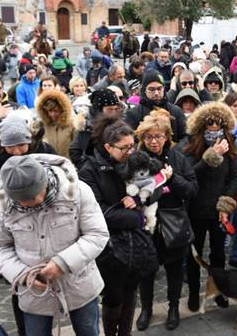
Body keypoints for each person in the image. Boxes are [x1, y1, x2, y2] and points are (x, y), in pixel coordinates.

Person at [0, 154, 109, 336]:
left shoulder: (79, 191)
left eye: (33, 197)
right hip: (33, 292)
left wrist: (63, 263)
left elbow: (97, 234)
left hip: (79, 284)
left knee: (88, 331)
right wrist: (21, 274)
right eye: (20, 201)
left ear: (45, 183)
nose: (27, 204)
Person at [78, 117, 158, 336]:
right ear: (107, 147)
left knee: (131, 291)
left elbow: (156, 183)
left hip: (136, 244)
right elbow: (98, 213)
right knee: (113, 296)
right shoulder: (90, 171)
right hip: (110, 247)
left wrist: (141, 200)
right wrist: (137, 219)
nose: (130, 152)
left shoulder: (133, 161)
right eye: (124, 148)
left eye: (132, 146)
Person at [134, 110, 198, 331]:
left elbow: (192, 189)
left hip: (173, 222)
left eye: (158, 136)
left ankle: (172, 308)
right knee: (146, 271)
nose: (154, 141)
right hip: (146, 224)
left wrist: (173, 179)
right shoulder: (136, 159)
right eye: (149, 137)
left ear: (167, 137)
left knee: (174, 269)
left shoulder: (178, 158)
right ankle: (146, 309)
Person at [181, 102, 237, 312]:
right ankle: (194, 293)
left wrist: (226, 203)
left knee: (218, 254)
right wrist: (212, 155)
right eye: (210, 123)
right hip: (195, 209)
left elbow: (235, 178)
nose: (214, 127)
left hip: (217, 210)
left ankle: (219, 291)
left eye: (219, 123)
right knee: (194, 254)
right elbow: (189, 174)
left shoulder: (231, 143)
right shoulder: (190, 143)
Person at [124, 70, 187, 144]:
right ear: (144, 90)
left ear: (164, 89)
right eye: (151, 89)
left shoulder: (176, 111)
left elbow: (185, 137)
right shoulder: (133, 114)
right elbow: (131, 141)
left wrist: (174, 151)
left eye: (159, 89)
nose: (156, 93)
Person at [35, 89, 82, 158]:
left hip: (68, 162)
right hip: (49, 163)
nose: (52, 114)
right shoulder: (41, 125)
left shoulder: (71, 125)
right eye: (50, 111)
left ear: (62, 110)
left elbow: (76, 148)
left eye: (56, 111)